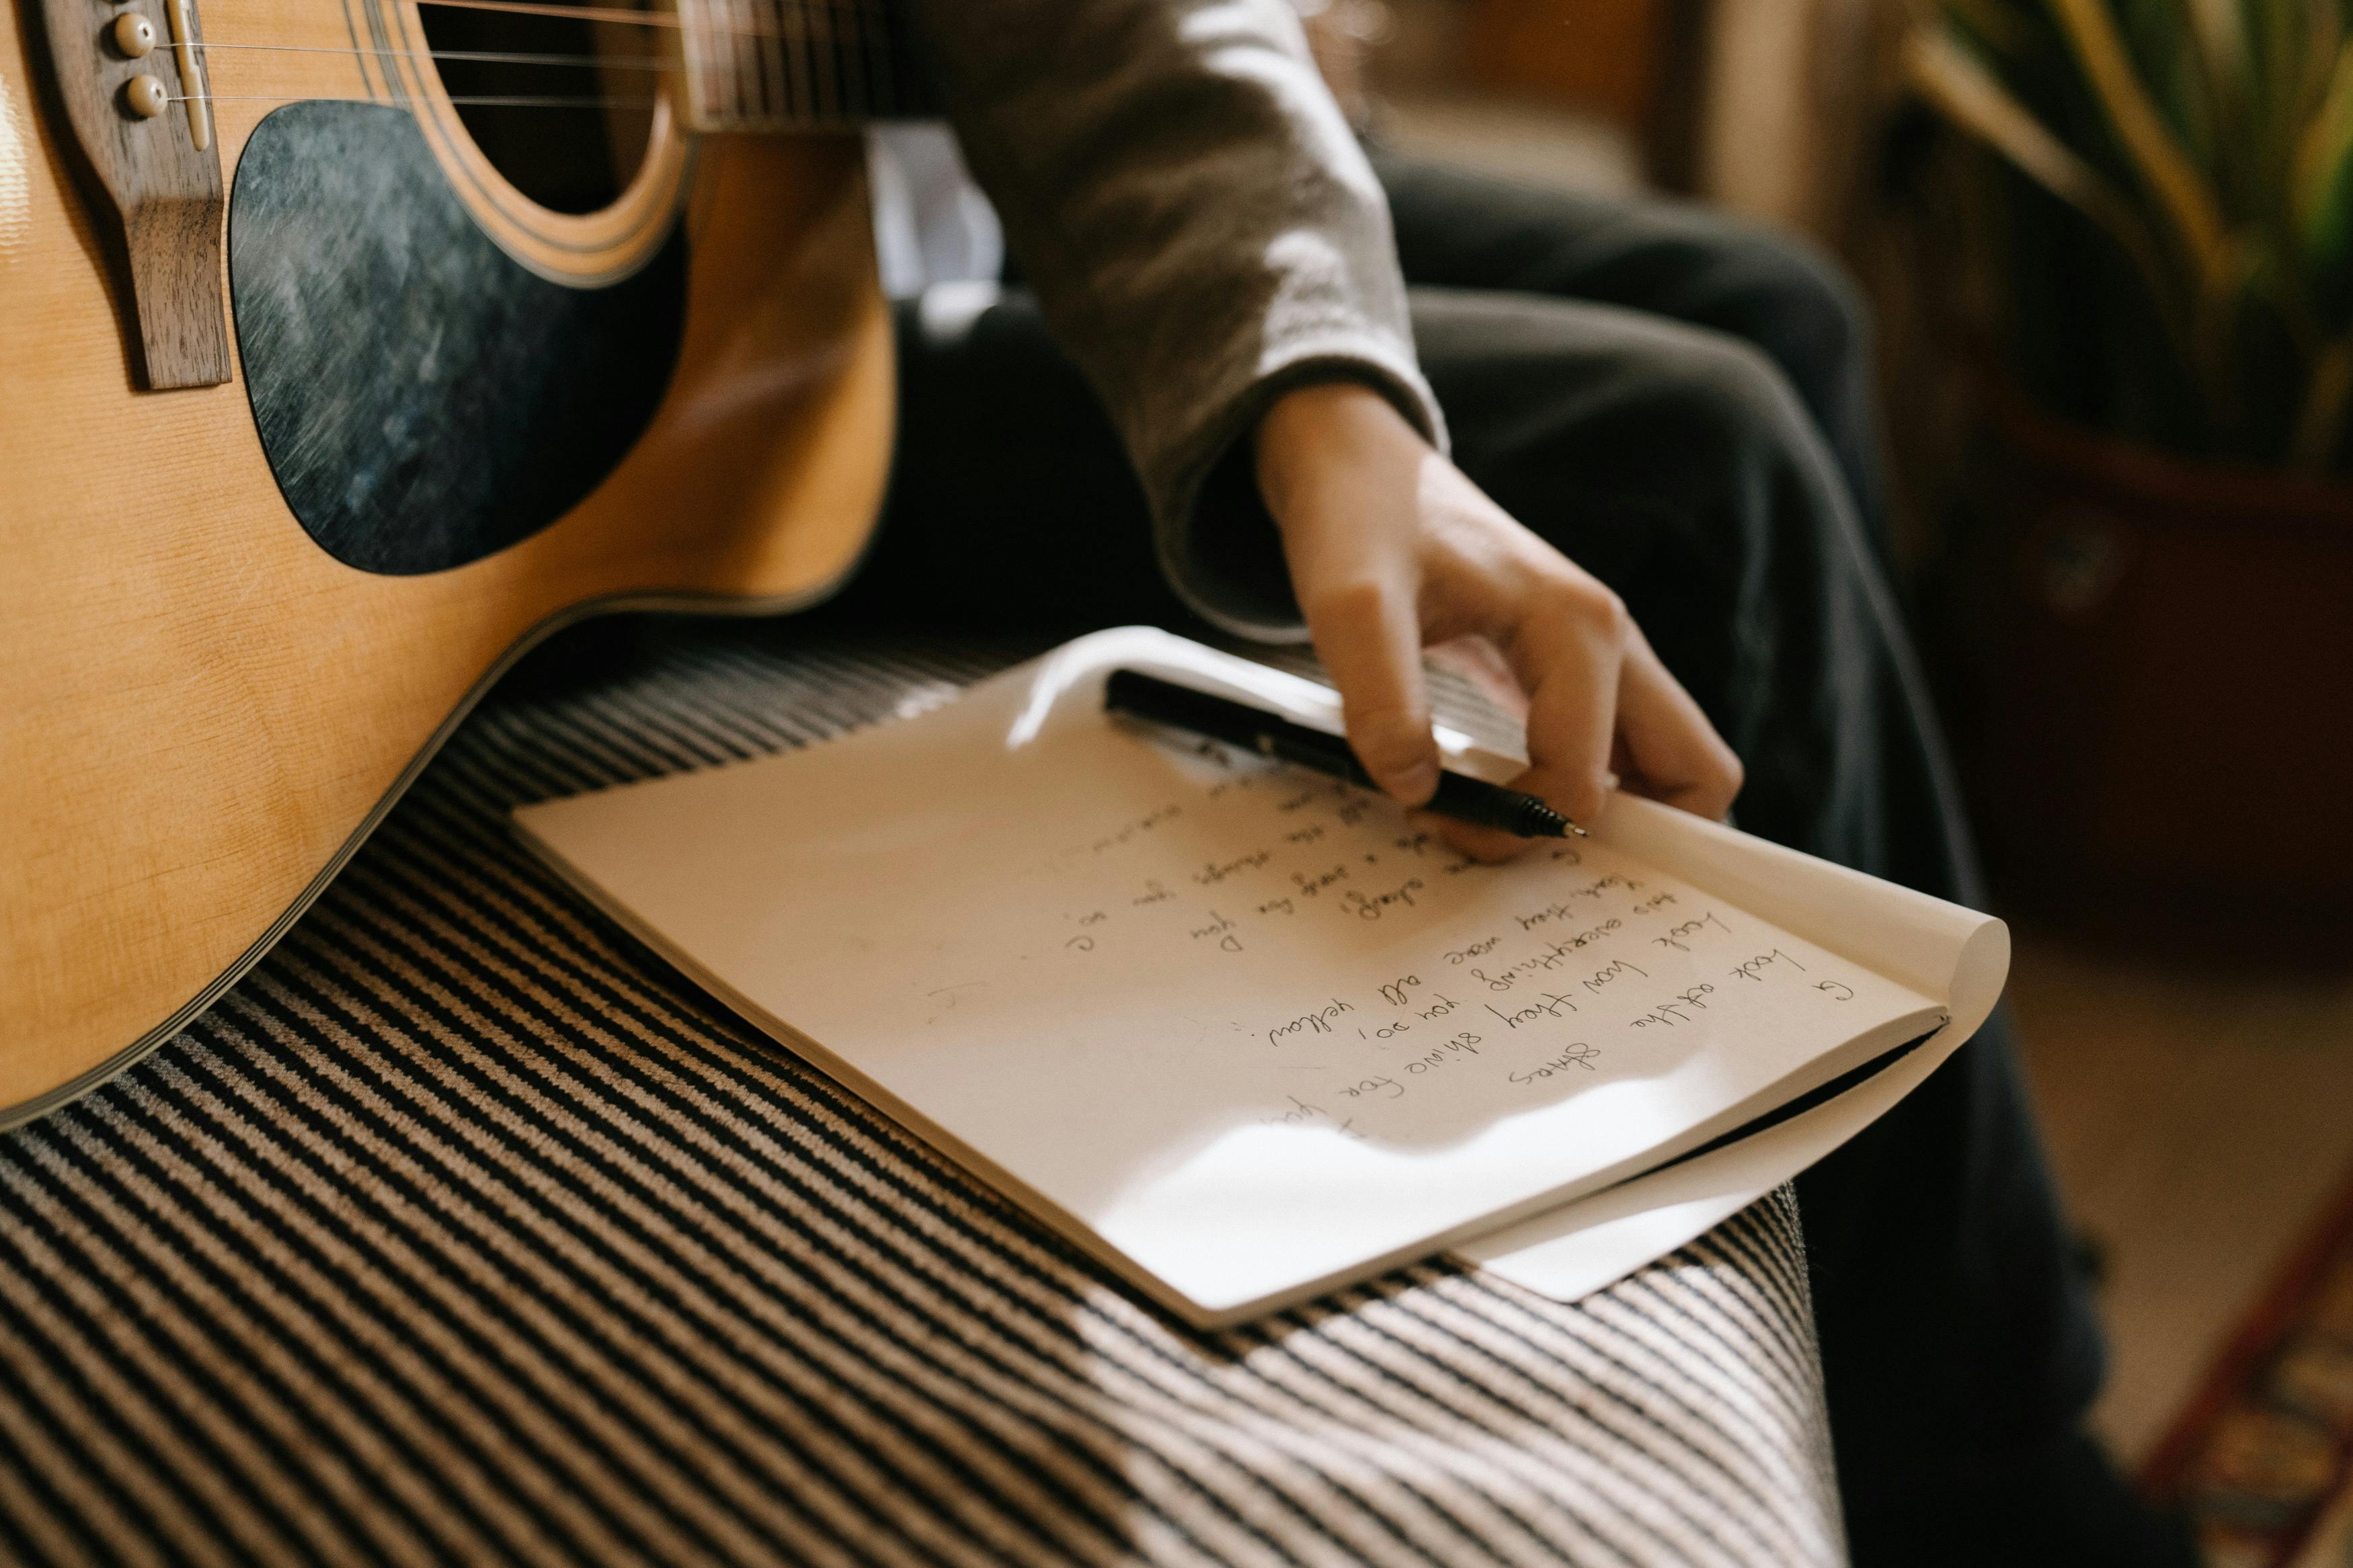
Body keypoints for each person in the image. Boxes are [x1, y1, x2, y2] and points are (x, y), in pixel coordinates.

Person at [809, 2, 2197, 1560]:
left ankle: (1944, 1236)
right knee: (1705, 455)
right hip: (777, 347)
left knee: (1784, 310)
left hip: (936, 182)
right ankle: (1985, 1483)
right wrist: (1327, 416)